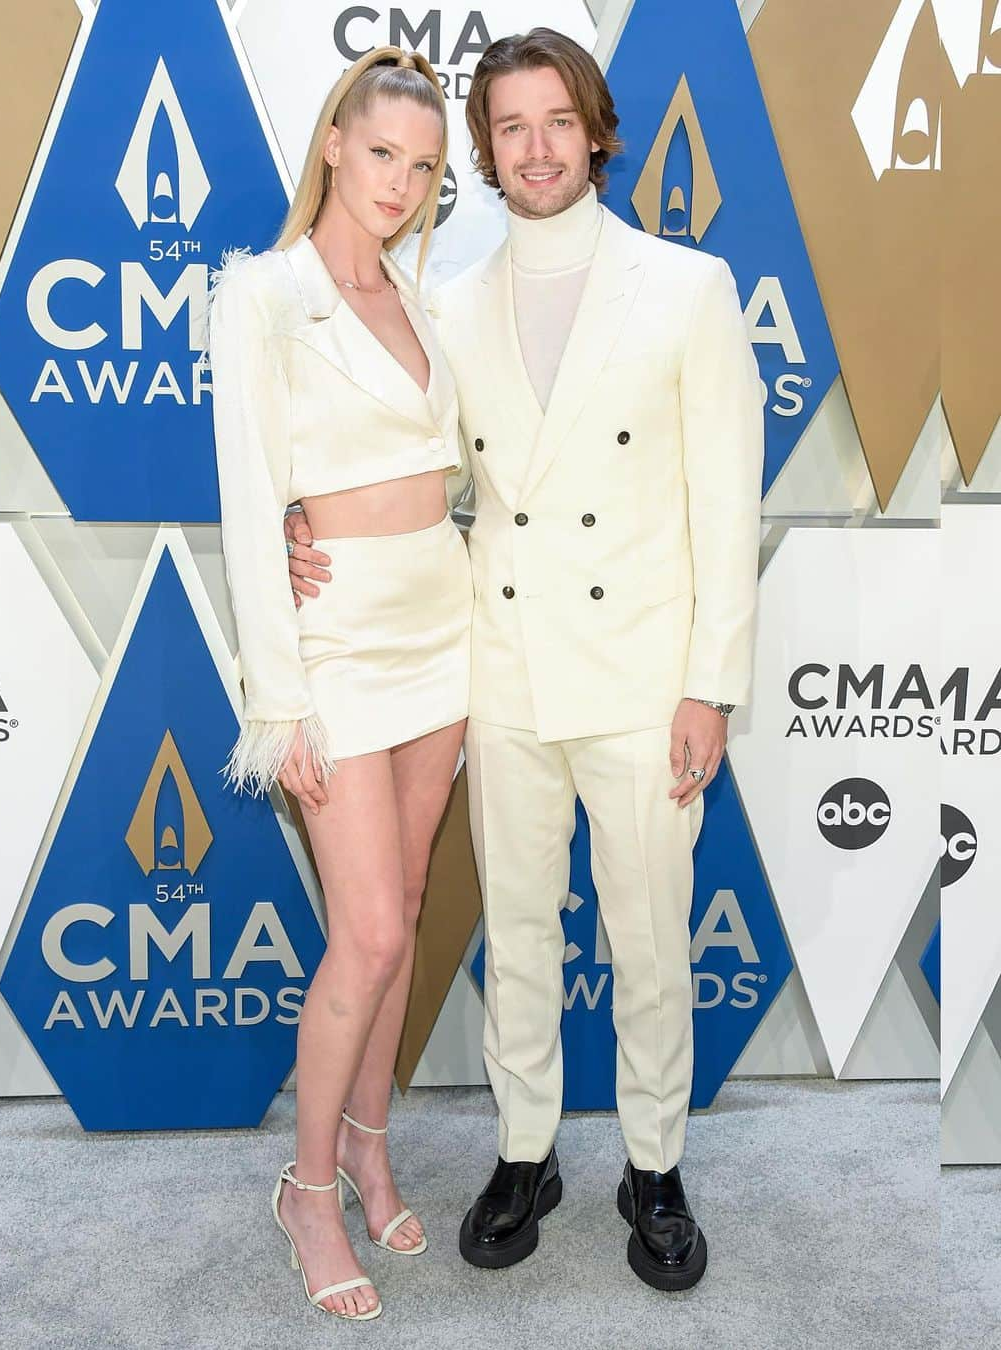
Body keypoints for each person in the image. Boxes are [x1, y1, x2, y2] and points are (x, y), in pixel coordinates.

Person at [287, 28, 764, 1292]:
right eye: (510, 128)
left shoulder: (688, 287)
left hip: (644, 670)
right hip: (499, 669)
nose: (537, 147)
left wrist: (710, 681)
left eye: (558, 121)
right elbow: (382, 447)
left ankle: (653, 1166)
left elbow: (728, 502)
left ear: (594, 131)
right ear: (483, 154)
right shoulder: (448, 303)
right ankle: (526, 1149)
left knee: (652, 937)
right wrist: (301, 521)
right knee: (520, 936)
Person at [207, 47, 473, 1322]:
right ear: (331, 144)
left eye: (424, 168)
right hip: (340, 646)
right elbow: (252, 506)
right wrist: (280, 696)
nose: (402, 184)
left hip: (446, 622)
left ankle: (370, 1140)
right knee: (364, 930)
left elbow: (456, 467)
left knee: (409, 900)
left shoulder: (428, 299)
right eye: (382, 155)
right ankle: (308, 1187)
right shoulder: (259, 297)